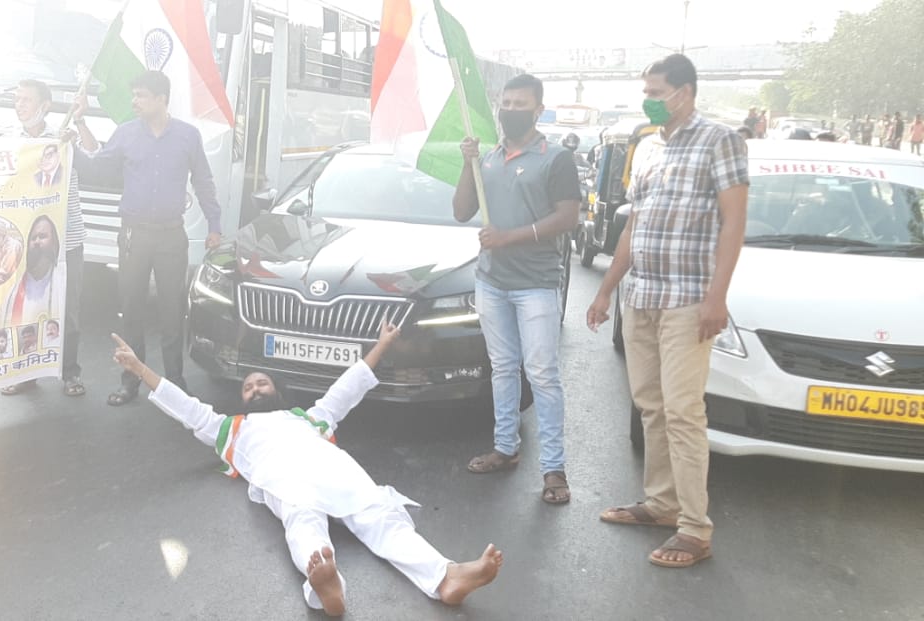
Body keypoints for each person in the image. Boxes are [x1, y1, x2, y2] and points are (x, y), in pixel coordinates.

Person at [113, 324, 501, 616]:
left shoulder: (310, 418)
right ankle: (326, 586)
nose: (255, 388)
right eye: (248, 388)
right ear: (242, 400)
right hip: (285, 480)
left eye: (262, 383)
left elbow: (346, 390)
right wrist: (139, 368)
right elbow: (187, 408)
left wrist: (382, 345)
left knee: (383, 518)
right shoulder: (232, 428)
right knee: (303, 524)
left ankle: (446, 576)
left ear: (277, 393)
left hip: (338, 473)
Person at [586, 54, 748, 569]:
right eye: (646, 90)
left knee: (683, 413)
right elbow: (635, 225)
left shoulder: (720, 140)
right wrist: (607, 287)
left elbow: (733, 223)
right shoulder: (650, 146)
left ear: (686, 91)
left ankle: (695, 528)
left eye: (656, 90)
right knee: (650, 407)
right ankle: (661, 503)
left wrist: (716, 297)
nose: (649, 99)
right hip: (643, 296)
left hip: (687, 300)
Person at [452, 73, 580, 505]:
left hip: (536, 285)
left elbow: (567, 218)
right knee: (503, 368)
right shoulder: (489, 157)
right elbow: (462, 210)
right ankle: (505, 448)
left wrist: (509, 237)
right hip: (492, 282)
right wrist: (466, 164)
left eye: (519, 103)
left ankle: (554, 470)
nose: (510, 110)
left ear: (538, 109)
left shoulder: (555, 158)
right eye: (505, 102)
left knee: (542, 376)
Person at [70, 70, 222, 405]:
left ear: (161, 99)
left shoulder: (187, 136)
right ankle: (131, 380)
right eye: (134, 95)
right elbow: (97, 167)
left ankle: (176, 384)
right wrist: (75, 135)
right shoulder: (126, 134)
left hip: (171, 237)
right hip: (133, 236)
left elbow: (203, 181)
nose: (134, 102)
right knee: (131, 310)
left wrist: (214, 224)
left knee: (171, 311)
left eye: (141, 95)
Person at [11, 79, 87, 398]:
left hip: (66, 240)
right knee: (27, 307)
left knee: (66, 309)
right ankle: (28, 373)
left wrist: (70, 144)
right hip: (26, 242)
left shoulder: (63, 139)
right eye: (17, 99)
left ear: (44, 106)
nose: (20, 105)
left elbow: (86, 166)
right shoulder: (8, 142)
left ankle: (69, 373)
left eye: (26, 100)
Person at [0, 214, 66, 395]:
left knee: (71, 321)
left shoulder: (61, 280)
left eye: (43, 237)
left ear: (54, 241)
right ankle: (23, 376)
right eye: (33, 238)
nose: (37, 242)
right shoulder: (14, 289)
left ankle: (70, 375)